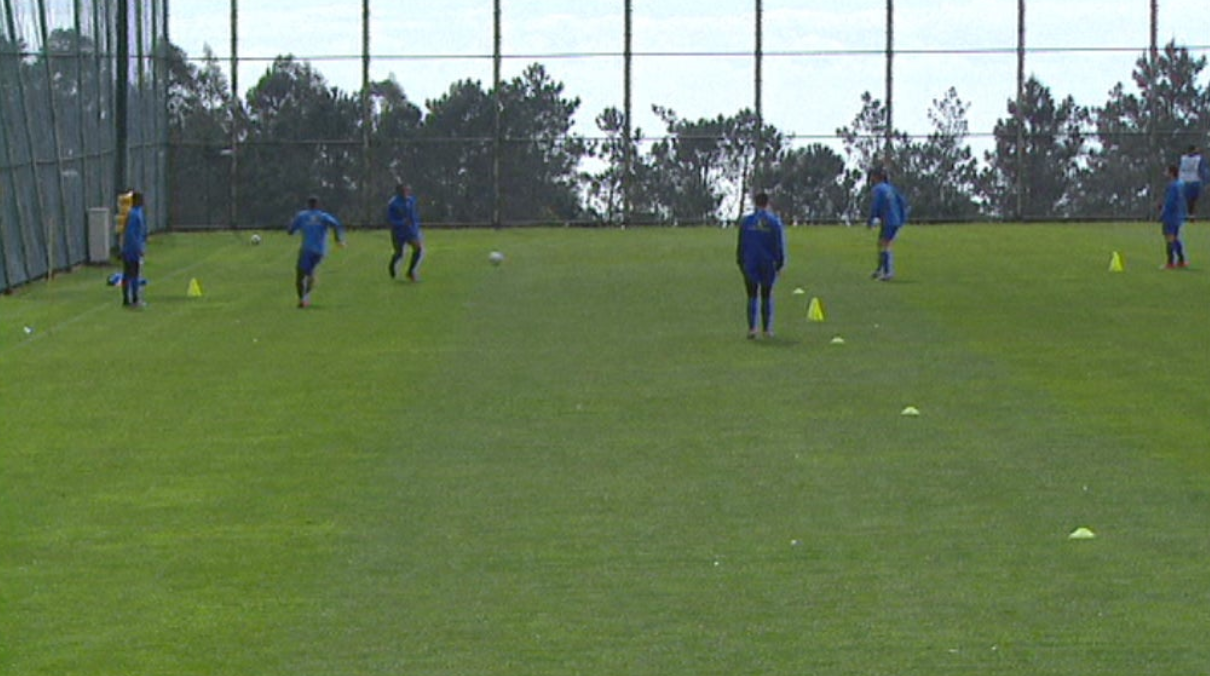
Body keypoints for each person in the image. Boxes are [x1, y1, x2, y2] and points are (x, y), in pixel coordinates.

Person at [736, 192, 786, 339]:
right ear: (767, 203)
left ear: (754, 203)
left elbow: (741, 244)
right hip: (767, 263)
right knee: (766, 294)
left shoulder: (746, 222)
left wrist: (740, 261)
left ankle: (752, 329)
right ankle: (766, 330)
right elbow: (778, 245)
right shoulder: (774, 222)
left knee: (751, 294)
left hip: (750, 262)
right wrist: (780, 263)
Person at [288, 196, 346, 308]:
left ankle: (303, 299)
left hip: (306, 249)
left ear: (308, 204)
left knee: (300, 275)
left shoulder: (302, 216)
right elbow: (336, 224)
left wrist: (292, 225)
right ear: (318, 205)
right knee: (310, 273)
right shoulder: (323, 216)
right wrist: (338, 239)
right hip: (320, 250)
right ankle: (306, 297)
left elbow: (290, 231)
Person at [866, 166, 908, 281]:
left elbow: (876, 205)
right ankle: (880, 270)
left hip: (888, 220)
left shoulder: (878, 189)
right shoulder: (891, 188)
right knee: (881, 244)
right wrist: (903, 219)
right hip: (896, 220)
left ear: (875, 177)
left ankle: (888, 272)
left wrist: (870, 220)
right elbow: (902, 202)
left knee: (885, 245)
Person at [387, 183, 423, 281]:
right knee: (399, 254)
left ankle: (410, 272)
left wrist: (415, 227)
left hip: (409, 231)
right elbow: (391, 220)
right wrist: (402, 223)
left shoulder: (410, 201)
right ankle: (391, 265)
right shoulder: (393, 203)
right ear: (400, 192)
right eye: (406, 190)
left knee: (418, 248)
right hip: (398, 233)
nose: (408, 192)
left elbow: (413, 216)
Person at [120, 191, 147, 308]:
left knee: (128, 274)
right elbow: (132, 234)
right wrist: (139, 248)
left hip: (129, 248)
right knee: (133, 274)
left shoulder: (134, 213)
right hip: (132, 249)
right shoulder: (135, 214)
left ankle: (127, 299)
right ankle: (134, 299)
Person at [1160, 164, 1188, 269]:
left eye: (1166, 171)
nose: (1165, 173)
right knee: (1175, 238)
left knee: (1169, 238)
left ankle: (1170, 262)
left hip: (1170, 216)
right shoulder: (1180, 185)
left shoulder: (1172, 186)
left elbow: (1170, 202)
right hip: (1178, 216)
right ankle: (1181, 260)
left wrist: (1163, 211)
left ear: (1171, 173)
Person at [1177, 145, 1209, 218]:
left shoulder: (1197, 159)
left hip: (1193, 180)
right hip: (1186, 181)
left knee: (1192, 200)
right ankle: (1187, 215)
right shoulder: (1184, 158)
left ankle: (1190, 215)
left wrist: (1206, 181)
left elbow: (1203, 170)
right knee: (1186, 199)